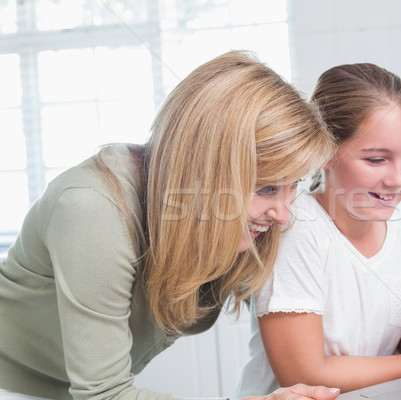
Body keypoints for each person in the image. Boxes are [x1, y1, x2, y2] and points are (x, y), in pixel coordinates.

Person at [0, 51, 341, 400]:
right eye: (266, 188)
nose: (283, 214)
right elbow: (103, 393)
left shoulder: (220, 222)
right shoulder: (92, 207)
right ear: (202, 171)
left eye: (294, 184)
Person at [235, 63, 401, 397]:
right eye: (376, 160)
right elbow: (305, 374)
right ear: (324, 151)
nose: (398, 179)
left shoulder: (400, 220)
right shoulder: (295, 226)